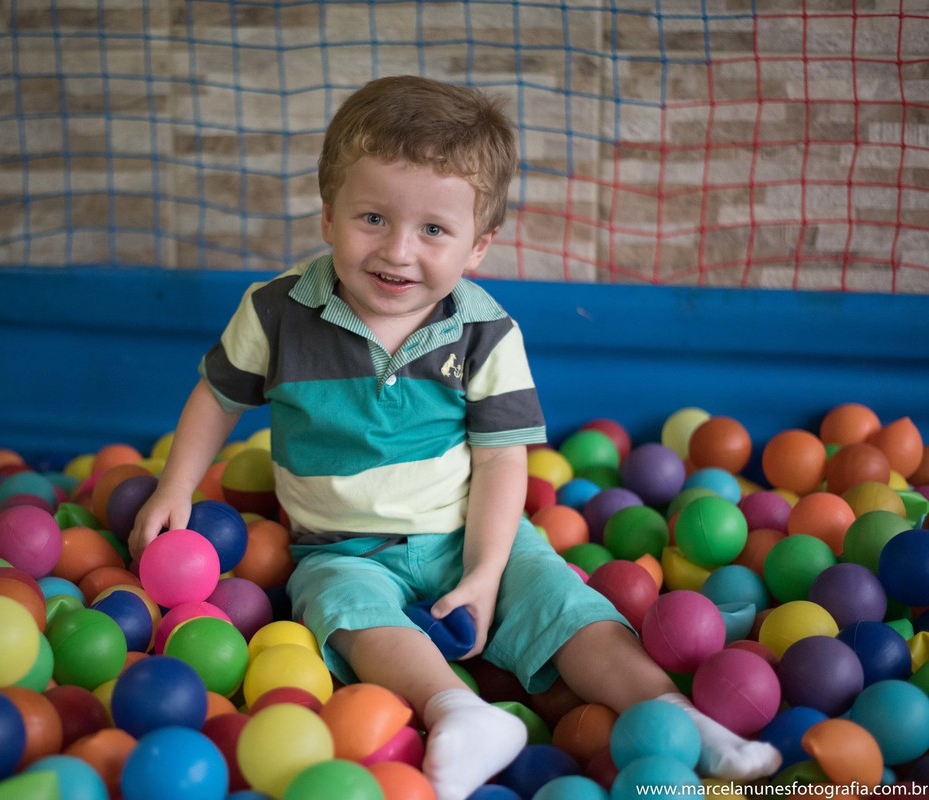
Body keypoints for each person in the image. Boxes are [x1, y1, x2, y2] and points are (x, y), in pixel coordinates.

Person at [130, 75, 781, 800]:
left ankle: (680, 720)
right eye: (372, 218)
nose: (399, 251)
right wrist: (176, 485)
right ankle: (459, 711)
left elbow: (504, 459)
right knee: (345, 614)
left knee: (566, 606)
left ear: (478, 247)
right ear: (327, 216)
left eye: (434, 230)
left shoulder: (485, 332)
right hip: (342, 547)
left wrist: (485, 569)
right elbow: (218, 397)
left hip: (464, 534)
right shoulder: (278, 311)